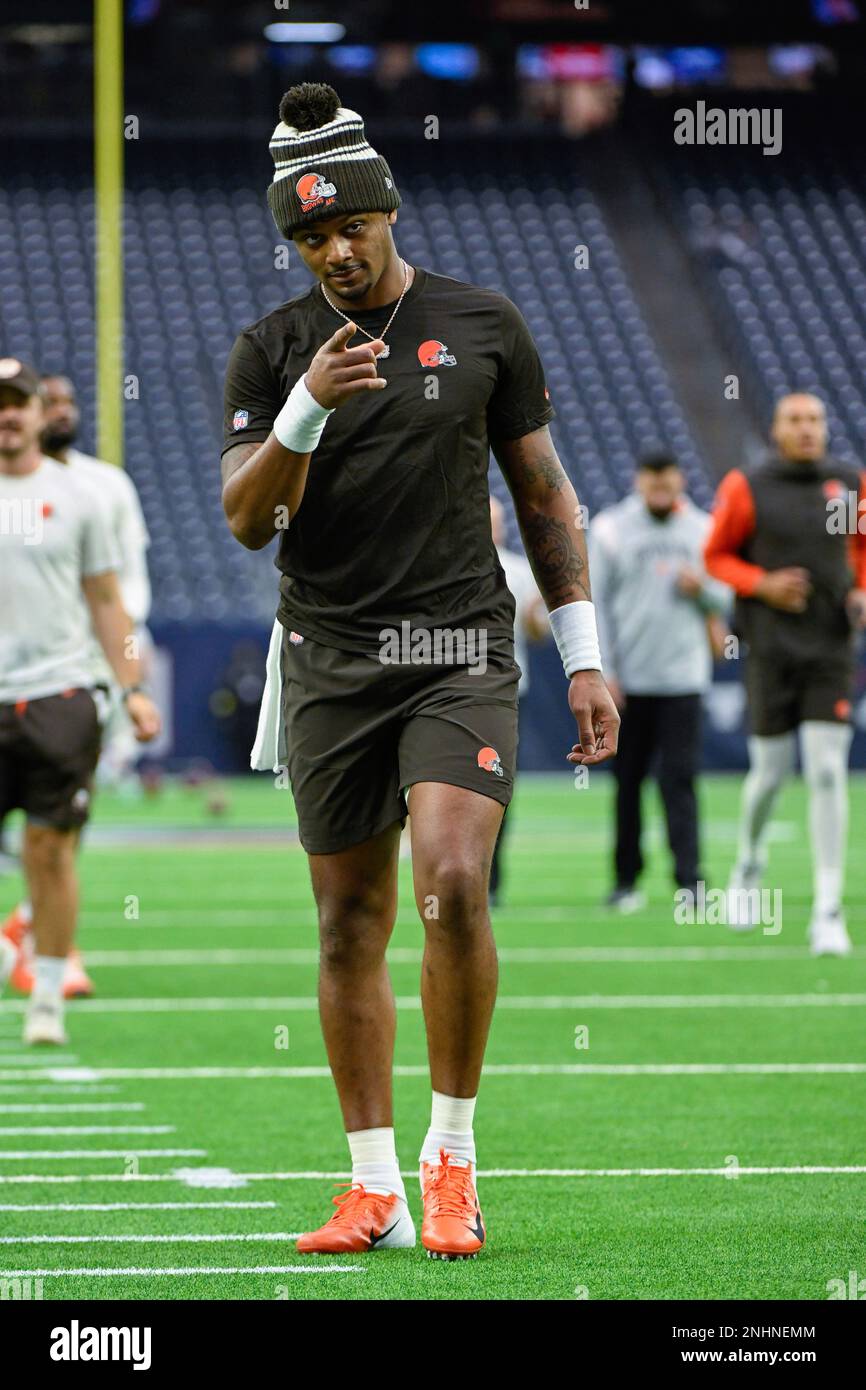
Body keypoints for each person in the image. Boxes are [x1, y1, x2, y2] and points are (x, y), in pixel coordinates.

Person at [221, 83, 618, 1261]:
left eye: (349, 225)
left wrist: (583, 653)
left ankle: (453, 1160)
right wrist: (301, 412)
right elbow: (248, 521)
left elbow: (543, 493)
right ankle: (372, 1184)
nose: (333, 251)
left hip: (454, 645)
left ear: (388, 210)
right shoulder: (272, 349)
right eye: (308, 237)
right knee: (349, 922)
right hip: (329, 655)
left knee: (451, 875)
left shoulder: (481, 322)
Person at [0, 359, 160, 1043]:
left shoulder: (82, 497)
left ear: (40, 413)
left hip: (59, 692)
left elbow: (106, 602)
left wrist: (131, 688)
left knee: (51, 850)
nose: (7, 415)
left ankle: (47, 996)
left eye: (18, 403)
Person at [704, 393, 866, 955]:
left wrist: (862, 590)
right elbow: (715, 555)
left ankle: (828, 910)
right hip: (770, 647)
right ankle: (748, 866)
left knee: (826, 771)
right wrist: (762, 584)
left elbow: (863, 548)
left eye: (816, 419)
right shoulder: (747, 486)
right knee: (769, 774)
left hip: (831, 647)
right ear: (776, 429)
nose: (807, 429)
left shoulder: (849, 482)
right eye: (795, 420)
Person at [589, 453, 730, 911]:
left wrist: (703, 589)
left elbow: (728, 593)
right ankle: (625, 881)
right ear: (639, 482)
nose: (661, 490)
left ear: (680, 482)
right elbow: (596, 604)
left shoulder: (703, 528)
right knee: (627, 783)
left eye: (668, 482)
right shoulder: (611, 528)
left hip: (684, 678)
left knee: (680, 781)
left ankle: (690, 882)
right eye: (653, 482)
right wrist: (604, 669)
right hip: (628, 681)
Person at [488, 494, 548, 905]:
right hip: (456, 690)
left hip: (507, 692)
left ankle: (490, 881)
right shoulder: (446, 564)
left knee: (499, 789)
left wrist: (534, 618)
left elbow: (538, 633)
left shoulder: (520, 570)